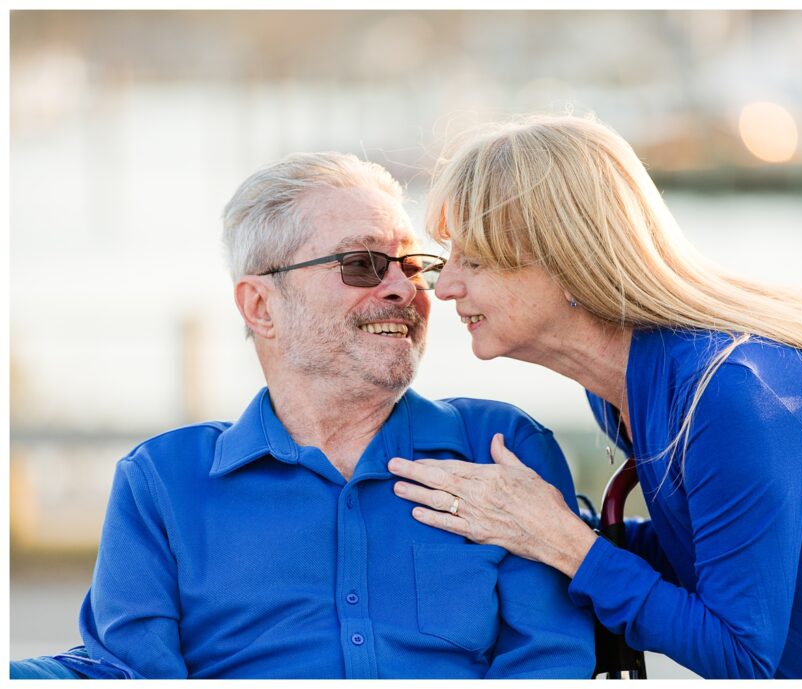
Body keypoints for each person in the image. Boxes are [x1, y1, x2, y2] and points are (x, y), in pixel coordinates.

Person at [387, 114, 802, 679]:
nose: (445, 291)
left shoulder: (729, 395)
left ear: (565, 261)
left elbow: (740, 654)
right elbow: (721, 546)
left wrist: (566, 544)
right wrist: (543, 528)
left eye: (475, 260)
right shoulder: (622, 390)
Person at [10, 152, 594, 679]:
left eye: (412, 266)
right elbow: (135, 674)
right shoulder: (161, 481)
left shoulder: (501, 447)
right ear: (260, 305)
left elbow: (550, 662)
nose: (405, 289)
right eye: (363, 264)